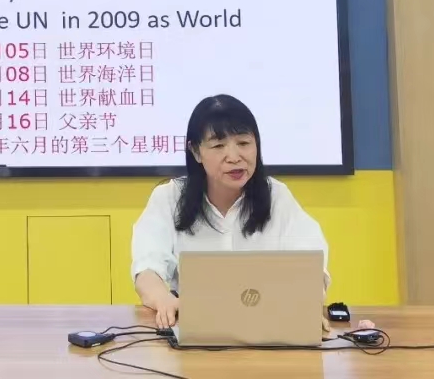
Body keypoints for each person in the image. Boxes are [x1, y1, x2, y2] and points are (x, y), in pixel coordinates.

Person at [130, 94, 330, 331]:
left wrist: (304, 305)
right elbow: (147, 268)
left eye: (244, 143)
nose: (234, 157)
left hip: (266, 327)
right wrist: (163, 300)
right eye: (218, 146)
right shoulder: (169, 198)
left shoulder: (277, 197)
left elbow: (311, 265)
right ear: (196, 152)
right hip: (196, 330)